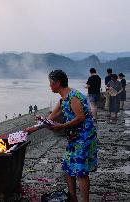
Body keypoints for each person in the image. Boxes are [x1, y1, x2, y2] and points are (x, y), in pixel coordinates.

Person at [45, 69, 98, 202]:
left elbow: (80, 117)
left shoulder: (73, 96)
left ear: (57, 83)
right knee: (67, 167)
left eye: (50, 83)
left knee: (81, 171)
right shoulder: (62, 100)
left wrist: (61, 126)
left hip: (84, 137)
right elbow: (50, 117)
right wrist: (33, 127)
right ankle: (73, 197)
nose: (49, 85)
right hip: (74, 138)